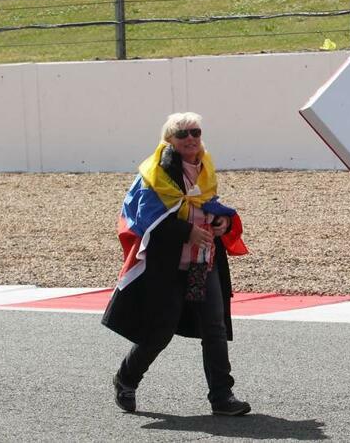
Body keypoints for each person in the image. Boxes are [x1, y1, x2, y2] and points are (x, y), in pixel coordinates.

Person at [102, 112, 250, 416]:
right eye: (182, 134)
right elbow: (146, 218)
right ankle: (126, 379)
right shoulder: (155, 174)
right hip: (168, 265)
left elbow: (210, 204)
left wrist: (221, 221)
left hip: (203, 262)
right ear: (169, 140)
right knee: (160, 330)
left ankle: (222, 397)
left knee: (214, 327)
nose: (191, 139)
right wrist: (186, 231)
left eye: (195, 132)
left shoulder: (205, 168)